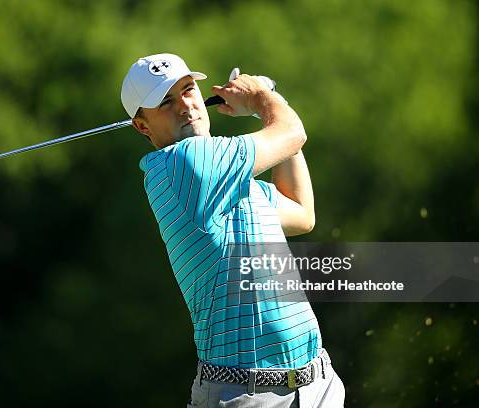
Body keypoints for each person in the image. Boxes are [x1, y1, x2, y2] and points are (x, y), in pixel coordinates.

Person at [121, 53, 345, 407]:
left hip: (317, 384)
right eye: (165, 102)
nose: (185, 106)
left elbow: (302, 213)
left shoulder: (223, 177)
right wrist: (261, 97)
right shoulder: (186, 163)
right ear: (142, 126)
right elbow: (291, 132)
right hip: (248, 395)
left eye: (188, 89)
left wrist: (268, 106)